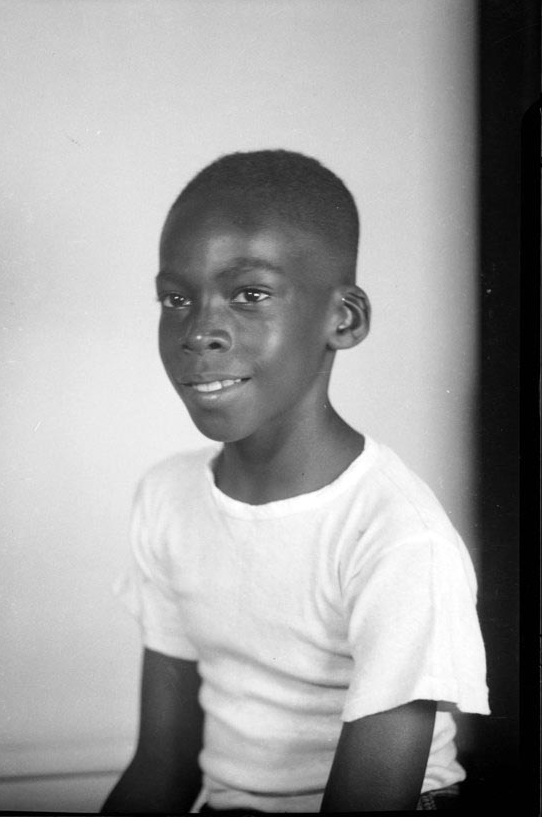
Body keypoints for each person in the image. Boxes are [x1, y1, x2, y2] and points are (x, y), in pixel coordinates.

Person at [101, 150, 490, 813]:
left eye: (249, 295)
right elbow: (162, 767)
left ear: (344, 318)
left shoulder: (397, 539)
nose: (199, 332)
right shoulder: (166, 499)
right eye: (176, 299)